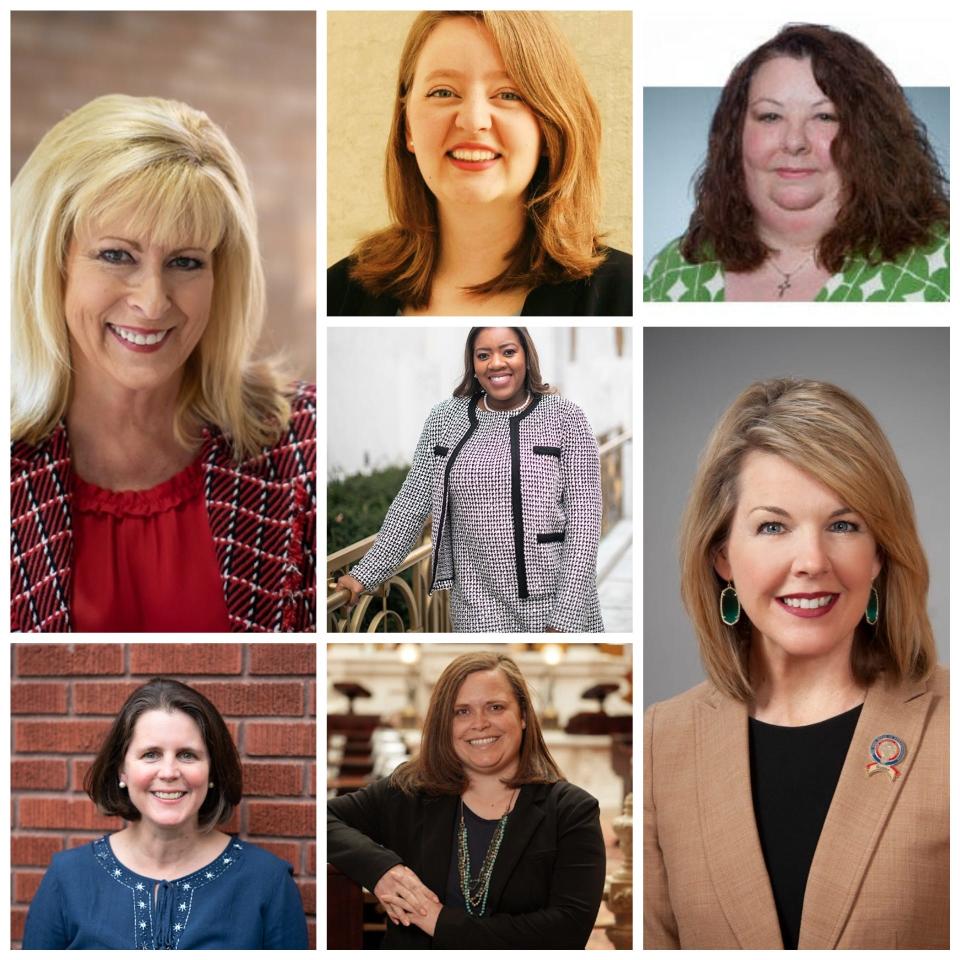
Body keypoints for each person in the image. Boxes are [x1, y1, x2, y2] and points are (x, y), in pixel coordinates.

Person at [644, 378, 947, 949]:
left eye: (843, 525)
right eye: (773, 526)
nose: (810, 561)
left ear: (880, 551)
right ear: (722, 555)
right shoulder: (663, 740)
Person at [11, 94, 316, 632]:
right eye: (116, 255)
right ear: (48, 261)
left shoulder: (307, 442)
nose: (153, 302)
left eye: (185, 262)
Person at [328, 11, 631, 316]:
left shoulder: (624, 295)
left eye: (509, 94)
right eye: (443, 92)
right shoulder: (339, 293)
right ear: (408, 127)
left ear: (549, 127)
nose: (473, 121)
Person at [644, 24, 949, 302]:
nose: (794, 142)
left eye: (825, 116)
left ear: (869, 136)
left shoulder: (944, 262)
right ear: (735, 136)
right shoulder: (671, 271)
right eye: (770, 116)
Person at [335, 327, 604, 632]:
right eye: (483, 355)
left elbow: (585, 522)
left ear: (527, 357)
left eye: (508, 351)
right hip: (476, 604)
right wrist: (364, 574)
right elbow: (411, 503)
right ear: (473, 365)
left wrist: (565, 619)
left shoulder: (565, 417)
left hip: (553, 599)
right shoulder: (444, 419)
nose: (496, 363)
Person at [328, 652, 606, 948]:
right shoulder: (409, 793)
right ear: (444, 724)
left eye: (495, 707)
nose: (480, 723)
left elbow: (567, 931)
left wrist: (439, 922)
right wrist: (381, 870)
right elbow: (322, 818)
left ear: (523, 716)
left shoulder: (573, 811)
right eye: (462, 712)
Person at [22, 678, 308, 949]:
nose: (169, 772)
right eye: (151, 754)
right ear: (122, 770)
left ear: (211, 772)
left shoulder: (267, 882)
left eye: (187, 755)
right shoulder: (68, 878)